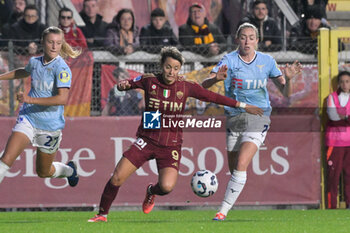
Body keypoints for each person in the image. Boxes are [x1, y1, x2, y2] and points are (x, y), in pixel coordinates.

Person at [87, 46, 263, 222]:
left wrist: (244, 106)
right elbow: (129, 83)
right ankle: (102, 214)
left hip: (171, 144)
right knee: (117, 177)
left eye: (176, 68)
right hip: (147, 139)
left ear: (180, 70)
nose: (171, 72)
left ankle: (151, 191)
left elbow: (213, 97)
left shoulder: (185, 87)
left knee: (166, 187)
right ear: (162, 66)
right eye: (168, 67)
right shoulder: (150, 81)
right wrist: (123, 86)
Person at [201, 23, 302, 221]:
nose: (247, 41)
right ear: (238, 39)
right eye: (243, 37)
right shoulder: (228, 60)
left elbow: (286, 94)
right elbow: (205, 84)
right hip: (234, 118)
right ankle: (230, 201)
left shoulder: (267, 61)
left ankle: (222, 212)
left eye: (251, 37)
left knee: (241, 164)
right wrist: (216, 79)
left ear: (257, 40)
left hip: (259, 117)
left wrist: (288, 80)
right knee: (234, 169)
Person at [0, 26, 81, 188]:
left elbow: (62, 98)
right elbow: (24, 71)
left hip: (50, 127)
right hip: (29, 119)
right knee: (6, 160)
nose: (54, 46)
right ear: (42, 43)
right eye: (50, 42)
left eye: (58, 43)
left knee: (44, 171)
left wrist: (29, 98)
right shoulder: (34, 62)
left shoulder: (62, 68)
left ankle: (70, 171)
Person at [325, 71, 350, 209]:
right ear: (338, 83)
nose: (345, 84)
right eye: (343, 81)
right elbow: (333, 117)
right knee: (333, 177)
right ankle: (332, 207)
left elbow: (337, 116)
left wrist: (342, 116)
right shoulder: (332, 98)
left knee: (349, 176)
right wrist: (347, 117)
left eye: (348, 81)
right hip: (335, 143)